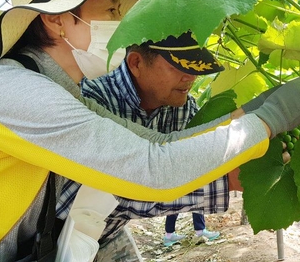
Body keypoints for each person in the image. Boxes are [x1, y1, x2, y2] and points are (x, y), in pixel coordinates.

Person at [0, 0, 300, 262]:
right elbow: (152, 170)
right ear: (56, 20)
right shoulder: (14, 93)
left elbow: (154, 145)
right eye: (111, 10)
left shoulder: (52, 91)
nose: (122, 26)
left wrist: (249, 113)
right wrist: (269, 119)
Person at [80, 32, 224, 258]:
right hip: (54, 236)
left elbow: (200, 150)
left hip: (108, 232)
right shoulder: (94, 101)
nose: (191, 76)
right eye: (179, 66)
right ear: (136, 63)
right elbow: (115, 192)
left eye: (195, 66)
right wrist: (228, 182)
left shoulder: (181, 106)